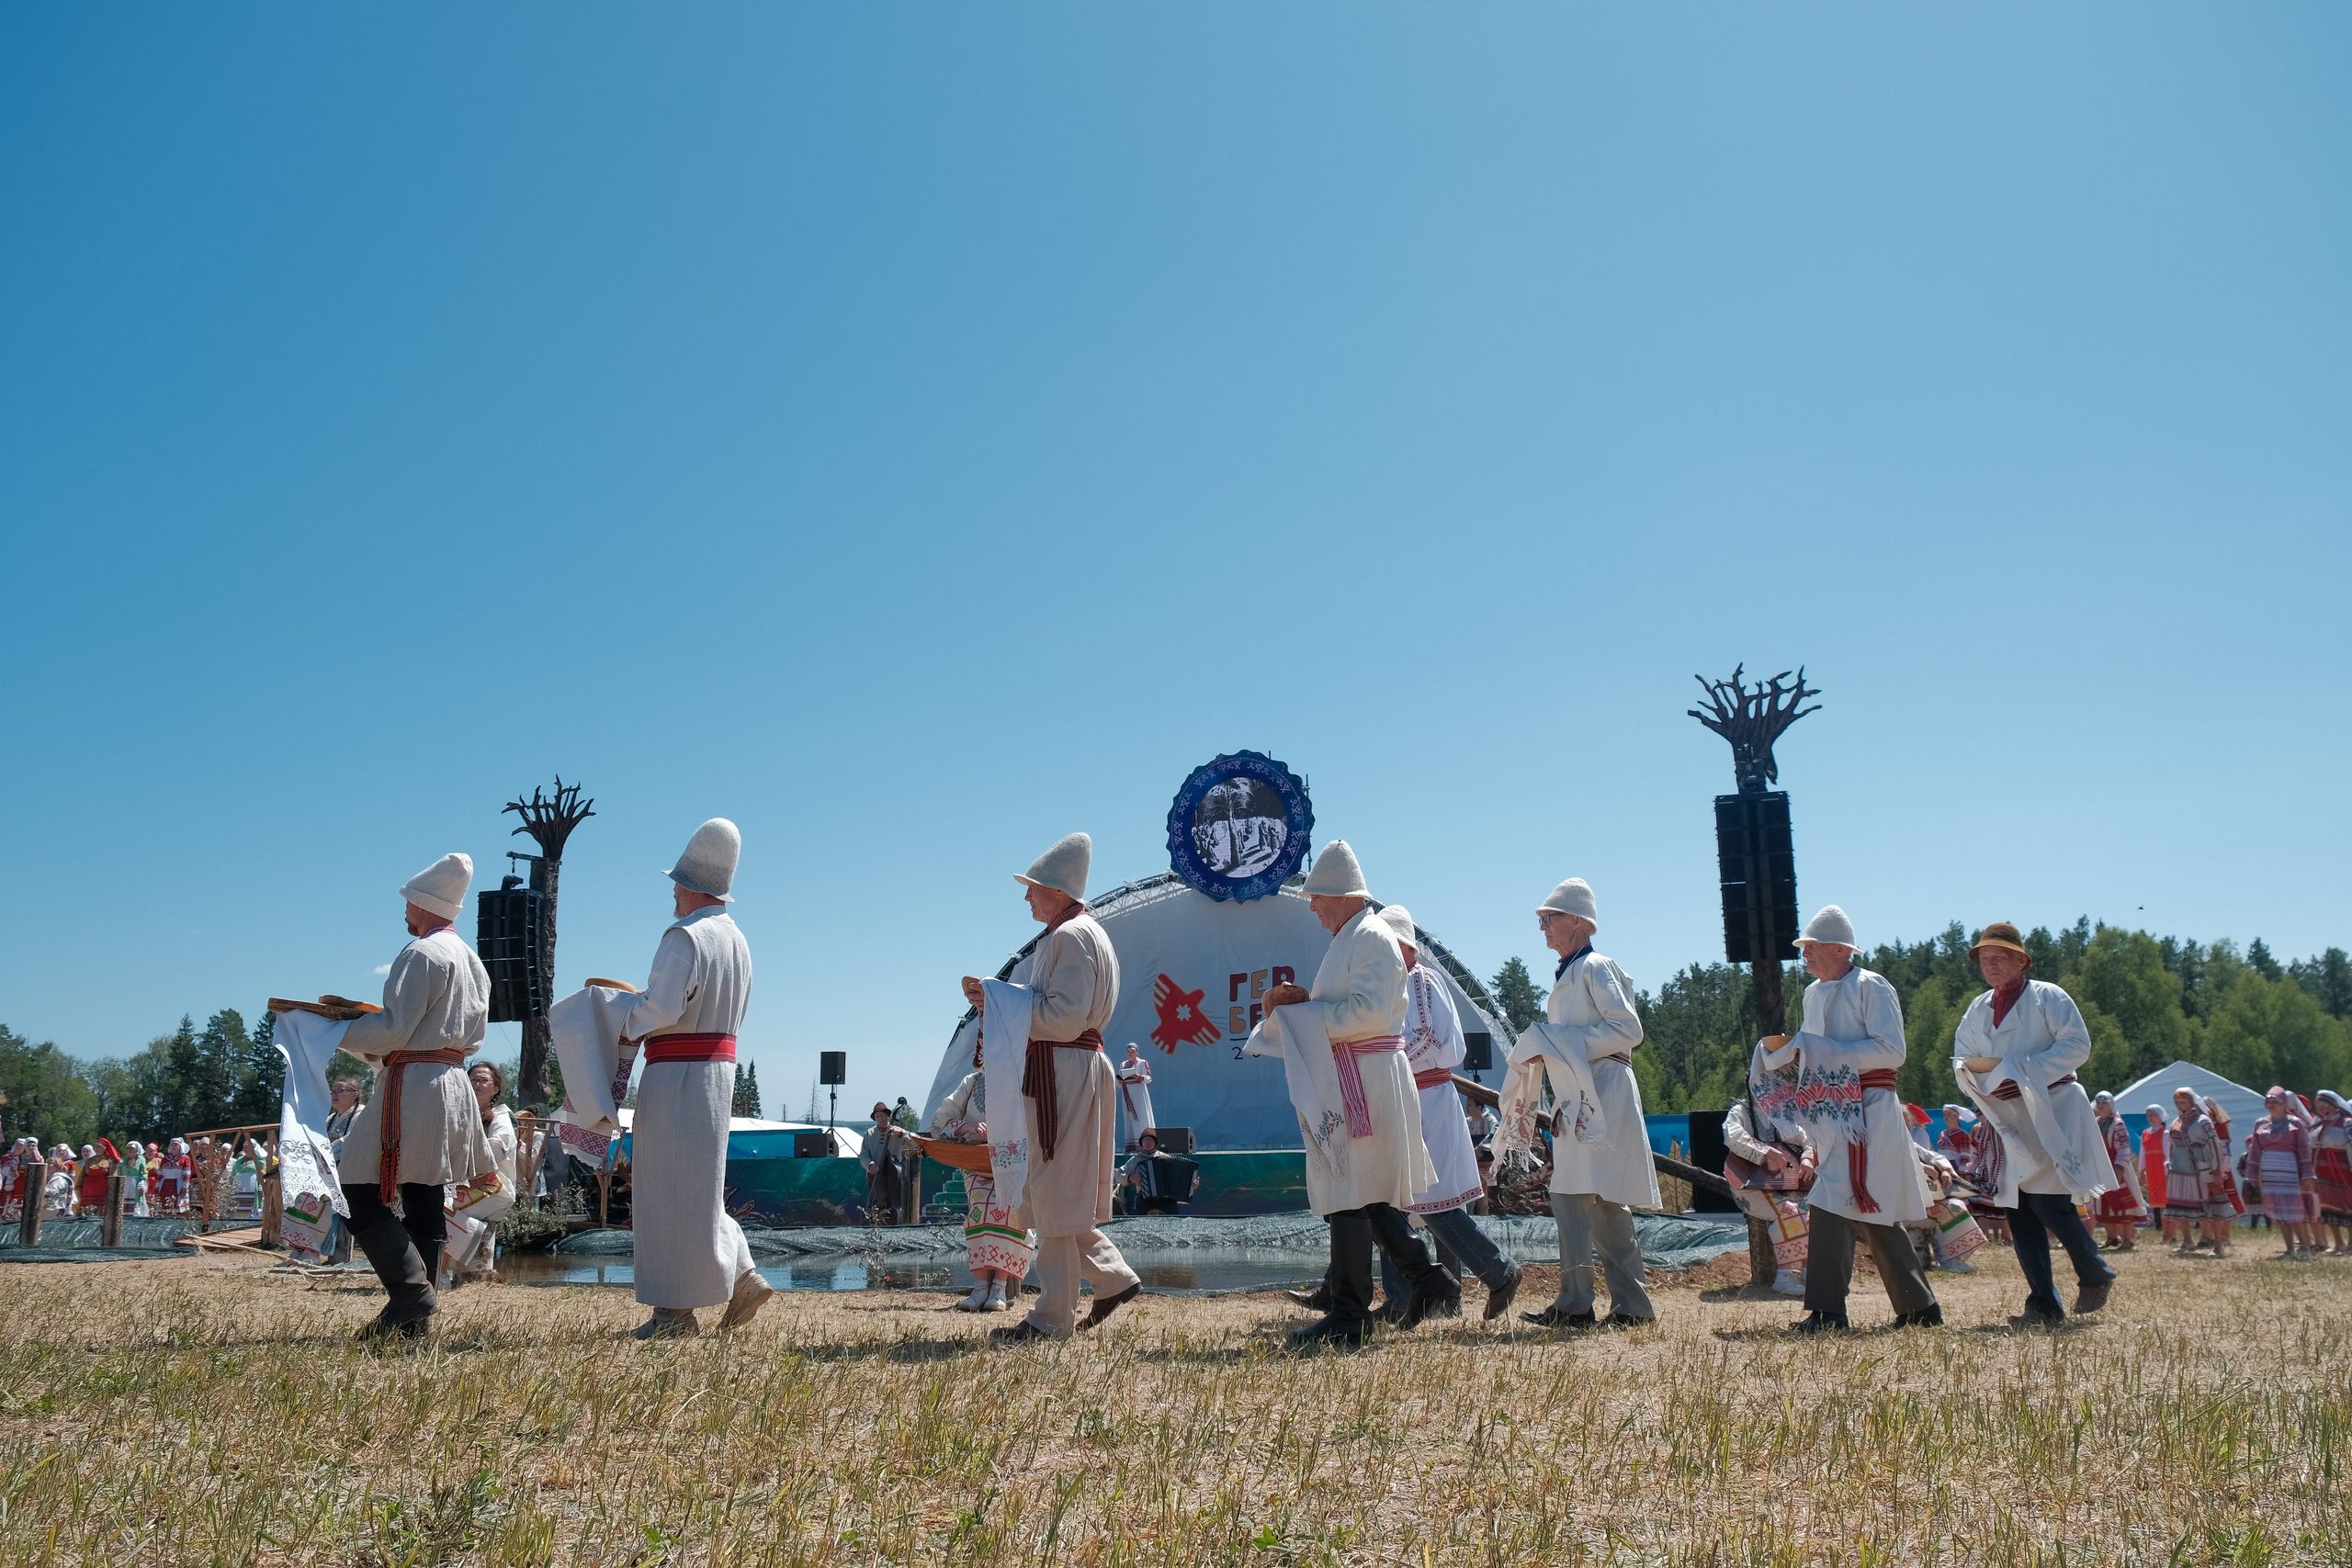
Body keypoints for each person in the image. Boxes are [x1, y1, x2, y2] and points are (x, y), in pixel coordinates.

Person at [1250, 840, 1450, 1348]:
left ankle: (1350, 1314)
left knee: (1349, 1193)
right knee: (1362, 1193)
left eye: (1317, 897)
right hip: (1357, 1076)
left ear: (1340, 895)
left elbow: (1369, 1013)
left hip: (1367, 1078)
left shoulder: (1371, 937)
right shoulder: (1356, 936)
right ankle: (1425, 1281)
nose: (1312, 906)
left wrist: (1303, 1016)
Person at [582, 818, 772, 1340]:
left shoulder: (684, 936)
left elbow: (662, 1007)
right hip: (718, 1074)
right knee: (699, 1187)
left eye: (676, 881)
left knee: (664, 1187)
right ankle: (742, 1275)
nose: (672, 890)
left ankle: (673, 1314)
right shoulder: (739, 941)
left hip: (675, 1071)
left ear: (690, 886)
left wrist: (620, 1012)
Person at [962, 831, 1145, 1342]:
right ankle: (1110, 1277)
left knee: (1053, 1192)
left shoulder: (1068, 937)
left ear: (1059, 892)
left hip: (1062, 1070)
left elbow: (1063, 1017)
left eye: (1034, 887)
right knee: (1057, 1192)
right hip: (1073, 1067)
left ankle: (1052, 1317)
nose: (1027, 895)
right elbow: (1066, 1011)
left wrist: (999, 1001)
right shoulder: (1091, 934)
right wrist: (1003, 1001)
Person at [332, 852, 502, 1340]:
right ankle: (415, 1323)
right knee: (425, 1194)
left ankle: (411, 1294)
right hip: (450, 1081)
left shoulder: (422, 954)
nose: (405, 910)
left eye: (409, 901)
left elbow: (393, 1029)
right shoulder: (472, 961)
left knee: (357, 1191)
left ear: (423, 903)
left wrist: (333, 1026)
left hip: (414, 1086)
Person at [1499, 877, 1658, 1331]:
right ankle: (1618, 1306)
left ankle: (1587, 1305)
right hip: (1585, 1090)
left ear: (1578, 921)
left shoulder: (1596, 966)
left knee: (1587, 1197)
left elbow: (1629, 1031)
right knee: (1583, 1196)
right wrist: (1555, 1049)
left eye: (1549, 918)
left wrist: (1555, 1042)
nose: (1543, 926)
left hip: (1603, 1087)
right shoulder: (1575, 971)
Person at [1771, 906, 1939, 1333]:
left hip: (1870, 1109)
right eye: (1803, 947)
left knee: (1841, 1200)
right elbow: (1813, 1053)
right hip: (1831, 1113)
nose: (1804, 953)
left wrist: (1824, 1054)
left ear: (1840, 949)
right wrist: (1783, 1056)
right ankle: (1919, 1309)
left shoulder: (1872, 986)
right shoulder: (1812, 994)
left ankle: (1828, 1313)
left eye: (1811, 945)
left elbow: (1892, 1051)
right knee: (1862, 1206)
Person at [1952, 921, 2116, 1326]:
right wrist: (1984, 1081)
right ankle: (2042, 1304)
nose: (1989, 965)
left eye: (1998, 958)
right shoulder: (1978, 1008)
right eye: (1984, 960)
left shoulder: (2048, 996)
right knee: (2019, 1210)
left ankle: (2095, 1271)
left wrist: (2019, 1072)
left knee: (2049, 1201)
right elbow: (1962, 1056)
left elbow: (2078, 1046)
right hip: (2006, 1116)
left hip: (2055, 1106)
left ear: (2020, 960)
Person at [1372, 905, 1524, 1320]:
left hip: (1427, 1094)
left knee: (1431, 1201)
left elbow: (1426, 1038)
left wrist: (1387, 1060)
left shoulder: (1418, 979)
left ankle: (1496, 1270)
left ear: (1403, 946)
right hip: (1416, 1094)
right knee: (1404, 1199)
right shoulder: (1400, 983)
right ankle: (1432, 1298)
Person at [931, 1044, 1035, 1312]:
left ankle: (999, 1288)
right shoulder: (973, 1081)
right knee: (980, 1212)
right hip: (977, 1163)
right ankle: (979, 1289)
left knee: (1011, 1214)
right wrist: (966, 1127)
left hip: (1014, 1162)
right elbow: (940, 1120)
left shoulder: (1023, 1078)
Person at [1723, 1036, 1815, 1297]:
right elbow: (1731, 1136)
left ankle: (1811, 1274)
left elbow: (1807, 1136)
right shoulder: (1741, 1111)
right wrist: (1763, 1152)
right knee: (1789, 1211)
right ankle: (1785, 1276)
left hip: (1789, 1182)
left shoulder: (1786, 1112)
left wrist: (1808, 1155)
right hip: (1752, 1185)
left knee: (1814, 1211)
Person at [443, 1061, 519, 1284]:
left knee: (441, 1206)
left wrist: (464, 1161)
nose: (477, 1084)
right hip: (465, 1185)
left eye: (483, 1080)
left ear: (495, 1088)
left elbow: (498, 1146)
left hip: (494, 1188)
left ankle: (440, 1273)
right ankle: (437, 1271)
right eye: (473, 1079)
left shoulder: (501, 1117)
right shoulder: (457, 1114)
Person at [2243, 1087, 2318, 1259]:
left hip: (2289, 1168)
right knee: (2277, 1210)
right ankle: (2289, 1249)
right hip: (2269, 1169)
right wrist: (2252, 1175)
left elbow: (2304, 1150)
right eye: (2268, 1102)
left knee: (2293, 1209)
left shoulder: (2295, 1123)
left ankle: (2304, 1246)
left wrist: (2307, 1174)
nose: (2271, 1105)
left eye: (2275, 1102)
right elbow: (2255, 1151)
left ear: (2284, 1103)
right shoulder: (2261, 1123)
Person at [2165, 1089, 2228, 1257]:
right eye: (2177, 1102)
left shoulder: (2203, 1121)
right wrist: (2169, 1162)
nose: (2179, 1105)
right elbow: (2171, 1144)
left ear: (2192, 1101)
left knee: (2210, 1205)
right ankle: (2187, 1240)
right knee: (2180, 1203)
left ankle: (2218, 1245)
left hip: (2199, 1167)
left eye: (2183, 1101)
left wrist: (2217, 1169)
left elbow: (2215, 1145)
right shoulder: (2176, 1121)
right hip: (2179, 1168)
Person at [2091, 1092, 2149, 1249]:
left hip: (2118, 1168)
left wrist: (2119, 1168)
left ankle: (2128, 1239)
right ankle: (2112, 1237)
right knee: (2104, 1203)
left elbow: (2123, 1148)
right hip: (2101, 1168)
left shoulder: (2118, 1124)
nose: (2101, 1106)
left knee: (2124, 1203)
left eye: (2104, 1103)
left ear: (2111, 1105)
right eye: (2098, 1103)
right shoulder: (2096, 1123)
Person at [1119, 1131, 1200, 1215]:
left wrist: (1192, 1184)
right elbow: (1119, 1174)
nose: (1147, 1142)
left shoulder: (1165, 1158)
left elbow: (1181, 1178)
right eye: (1145, 1140)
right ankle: (1140, 1228)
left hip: (1164, 1198)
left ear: (1155, 1143)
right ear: (1141, 1143)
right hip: (1144, 1196)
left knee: (1172, 1207)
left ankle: (1173, 1228)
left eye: (1150, 1140)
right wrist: (1130, 1178)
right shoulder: (1136, 1159)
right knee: (1140, 1205)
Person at [2312, 1090, 2352, 1254]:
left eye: (2324, 1104)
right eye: (2318, 1105)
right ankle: (2339, 1244)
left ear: (2334, 1106)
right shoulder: (2317, 1125)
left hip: (2343, 1169)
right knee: (2327, 1205)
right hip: (2323, 1170)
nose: (2321, 1108)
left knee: (2348, 1205)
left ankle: (2351, 1245)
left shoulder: (2347, 1123)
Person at [860, 1103, 906, 1224]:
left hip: (893, 1175)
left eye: (882, 1115)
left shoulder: (897, 1132)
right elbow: (863, 1154)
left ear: (887, 1117)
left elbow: (913, 1140)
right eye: (877, 1116)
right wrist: (870, 1165)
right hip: (874, 1175)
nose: (880, 1118)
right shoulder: (869, 1133)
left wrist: (902, 1134)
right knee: (874, 1202)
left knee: (893, 1201)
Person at [2142, 1104, 2176, 1248]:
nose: (2150, 1117)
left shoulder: (2166, 1133)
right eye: (2148, 1114)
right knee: (2158, 1203)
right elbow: (2143, 1152)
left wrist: (2168, 1170)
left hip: (2162, 1169)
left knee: (2168, 1202)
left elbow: (2168, 1154)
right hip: (2152, 1169)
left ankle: (2171, 1234)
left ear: (2160, 1116)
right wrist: (2142, 1170)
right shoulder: (2146, 1133)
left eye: (2153, 1114)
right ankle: (2165, 1234)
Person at [1114, 1043, 1157, 1155]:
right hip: (1127, 1092)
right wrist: (1120, 1081)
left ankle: (1145, 1144)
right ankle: (1132, 1146)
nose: (1130, 1053)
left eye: (1132, 1051)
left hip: (1139, 1093)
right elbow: (1118, 1080)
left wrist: (1140, 1077)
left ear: (1136, 1052)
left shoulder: (1142, 1063)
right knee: (1129, 1119)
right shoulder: (1123, 1064)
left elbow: (1148, 1078)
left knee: (1141, 1117)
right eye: (1128, 1051)